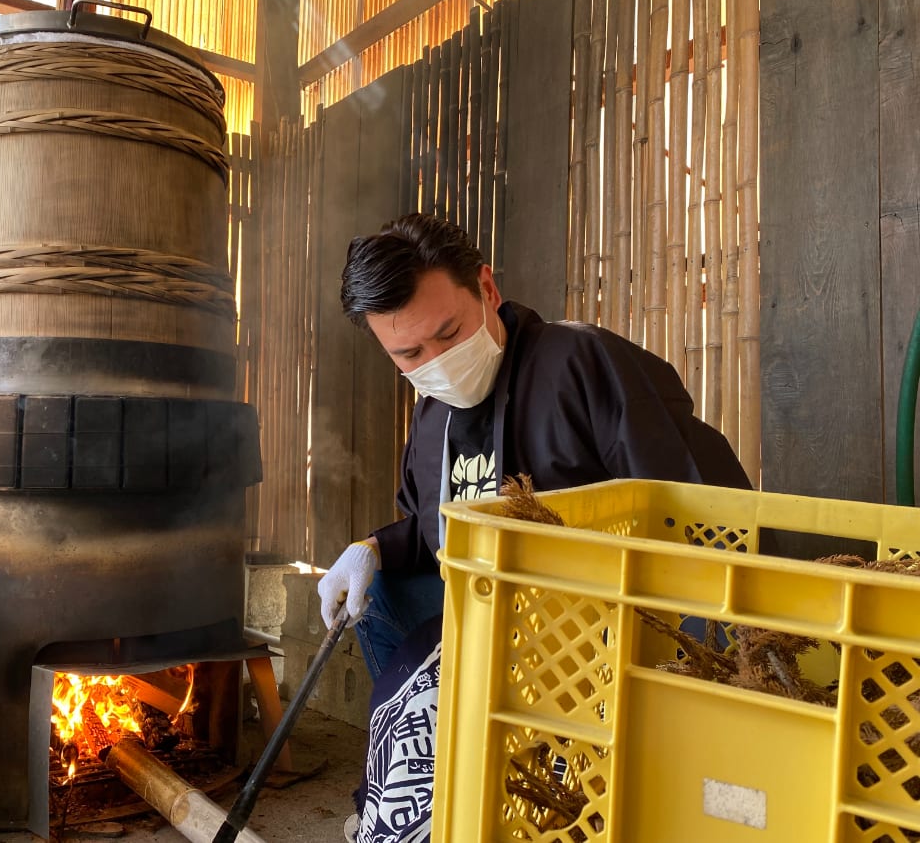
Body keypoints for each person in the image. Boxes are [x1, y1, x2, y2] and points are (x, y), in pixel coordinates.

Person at [317, 213, 750, 841]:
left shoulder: (580, 363)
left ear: (487, 290)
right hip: (497, 617)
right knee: (377, 595)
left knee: (423, 674)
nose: (436, 362)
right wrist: (369, 547)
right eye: (408, 353)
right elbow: (440, 530)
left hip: (602, 621)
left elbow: (700, 507)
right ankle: (440, 779)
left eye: (449, 334)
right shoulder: (434, 418)